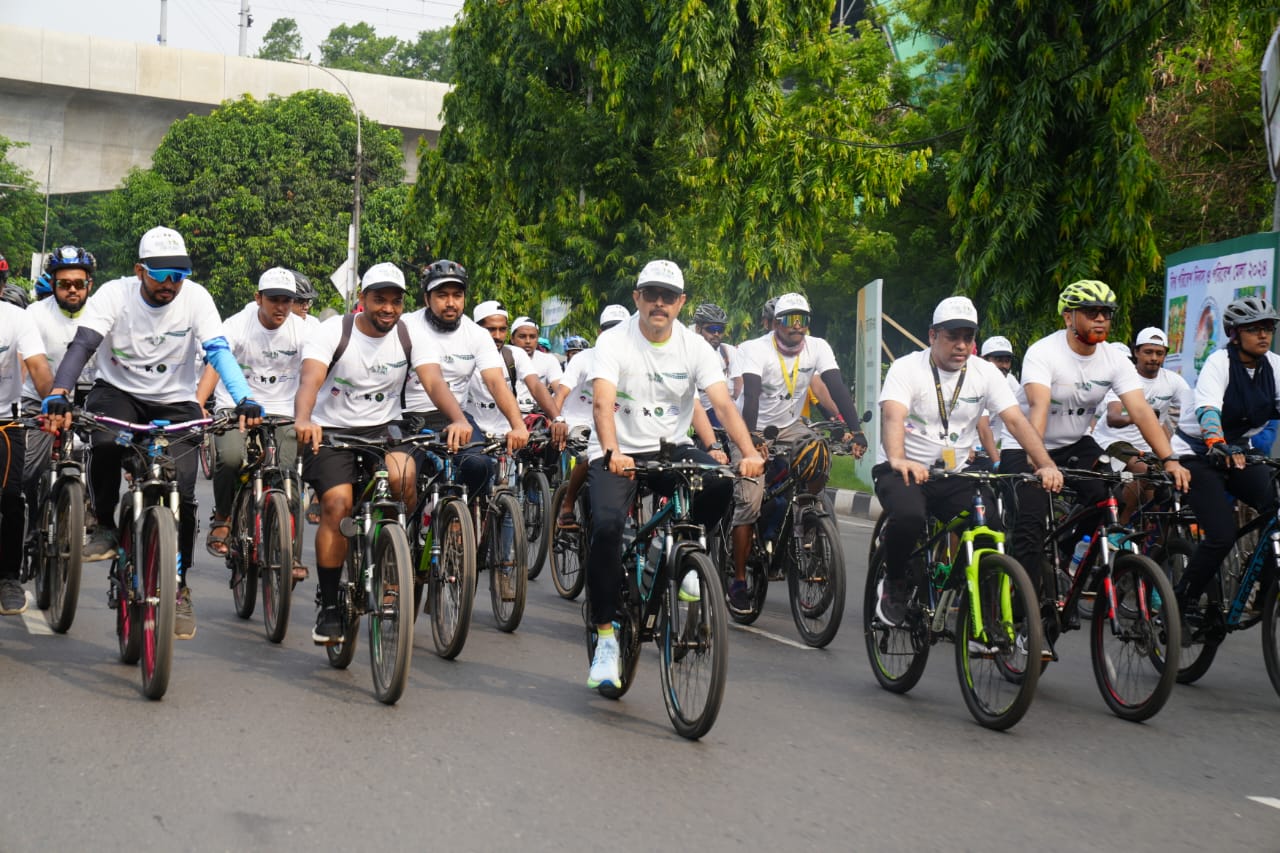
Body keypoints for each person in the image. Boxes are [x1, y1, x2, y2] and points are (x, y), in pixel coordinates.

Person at [41, 226, 265, 639]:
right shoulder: (114, 294)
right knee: (105, 442)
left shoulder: (195, 298)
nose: (170, 284)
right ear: (139, 270)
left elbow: (217, 351)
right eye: (160, 274)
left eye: (178, 274)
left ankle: (178, 588)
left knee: (180, 485)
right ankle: (106, 524)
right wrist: (59, 391)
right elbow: (84, 344)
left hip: (175, 400)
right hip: (118, 393)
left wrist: (245, 397)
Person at [584, 261, 764, 689]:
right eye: (652, 295)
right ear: (638, 298)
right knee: (608, 528)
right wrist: (611, 450)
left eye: (669, 296)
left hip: (670, 449)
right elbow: (602, 403)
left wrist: (749, 453)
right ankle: (606, 638)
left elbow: (722, 405)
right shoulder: (613, 341)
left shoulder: (695, 347)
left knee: (720, 480)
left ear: (681, 303)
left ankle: (685, 557)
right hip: (618, 451)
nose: (659, 303)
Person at [294, 262, 472, 644]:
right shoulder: (333, 332)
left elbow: (433, 381)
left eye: (395, 301)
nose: (387, 308)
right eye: (379, 300)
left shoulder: (410, 336)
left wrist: (457, 418)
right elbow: (310, 377)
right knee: (337, 506)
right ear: (362, 300)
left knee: (403, 477)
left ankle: (393, 556)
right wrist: (304, 418)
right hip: (334, 431)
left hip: (386, 431)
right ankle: (328, 605)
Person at [999, 280, 1190, 609]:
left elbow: (1142, 412)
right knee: (1029, 527)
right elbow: (1039, 409)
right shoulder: (1044, 352)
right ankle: (1022, 612)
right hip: (1027, 445)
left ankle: (1064, 549)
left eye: (1106, 313)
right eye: (1091, 312)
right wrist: (1042, 461)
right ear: (1068, 318)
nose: (1100, 318)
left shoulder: (1113, 360)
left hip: (1075, 442)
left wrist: (1170, 460)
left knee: (1108, 496)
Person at [874, 297, 1062, 626]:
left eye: (968, 337)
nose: (961, 345)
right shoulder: (907, 369)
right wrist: (899, 459)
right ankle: (895, 582)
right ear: (932, 336)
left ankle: (985, 610)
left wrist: (1045, 463)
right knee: (909, 516)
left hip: (953, 473)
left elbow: (1017, 422)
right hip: (903, 468)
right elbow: (892, 417)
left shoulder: (986, 373)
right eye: (952, 337)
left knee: (989, 524)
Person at [726, 292, 868, 613]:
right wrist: (750, 442)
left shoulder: (818, 347)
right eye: (790, 320)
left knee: (818, 451)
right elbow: (749, 397)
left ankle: (808, 515)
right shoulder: (754, 349)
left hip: (791, 426)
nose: (797, 328)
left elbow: (836, 387)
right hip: (749, 424)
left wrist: (855, 429)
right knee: (749, 500)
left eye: (803, 321)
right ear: (776, 323)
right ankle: (737, 580)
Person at [1170, 297, 1280, 626]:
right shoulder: (1219, 363)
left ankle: (1265, 595)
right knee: (1221, 534)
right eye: (1254, 329)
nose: (1263, 335)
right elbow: (1208, 409)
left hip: (1240, 453)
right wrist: (1217, 442)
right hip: (1197, 455)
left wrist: (1234, 449)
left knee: (1276, 508)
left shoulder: (1274, 366)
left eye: (1268, 328)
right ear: (1234, 333)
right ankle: (1183, 599)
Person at [195, 267, 309, 580]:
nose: (281, 307)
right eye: (274, 299)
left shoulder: (303, 330)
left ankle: (291, 554)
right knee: (231, 458)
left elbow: (318, 367)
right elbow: (216, 365)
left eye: (288, 300)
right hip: (235, 407)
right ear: (258, 298)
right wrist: (198, 404)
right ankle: (223, 518)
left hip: (282, 411)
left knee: (290, 482)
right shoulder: (237, 325)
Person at [400, 260, 529, 496]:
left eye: (457, 295)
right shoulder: (405, 326)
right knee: (403, 481)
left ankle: (458, 515)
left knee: (480, 466)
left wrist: (518, 425)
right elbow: (431, 381)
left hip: (455, 418)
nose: (451, 303)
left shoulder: (477, 334)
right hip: (406, 419)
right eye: (442, 295)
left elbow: (496, 383)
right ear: (427, 298)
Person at [20, 247, 98, 555]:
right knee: (27, 469)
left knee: (105, 452)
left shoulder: (102, 312)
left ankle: (91, 504)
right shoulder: (35, 314)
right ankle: (26, 524)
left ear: (89, 284)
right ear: (53, 284)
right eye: (64, 283)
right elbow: (32, 364)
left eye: (79, 283)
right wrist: (53, 399)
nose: (72, 289)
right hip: (40, 396)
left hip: (90, 397)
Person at [1089, 327, 1191, 524]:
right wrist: (1140, 417)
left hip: (1146, 448)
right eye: (1148, 352)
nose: (1154, 358)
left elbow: (1191, 412)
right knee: (1145, 471)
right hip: (1113, 442)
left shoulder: (1174, 381)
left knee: (1160, 490)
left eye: (1159, 353)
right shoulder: (1124, 378)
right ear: (1136, 352)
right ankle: (1119, 528)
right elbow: (1113, 417)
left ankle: (1152, 547)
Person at [551, 306, 628, 529]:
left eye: (621, 330)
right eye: (609, 329)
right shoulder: (583, 359)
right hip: (578, 421)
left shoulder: (632, 360)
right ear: (600, 333)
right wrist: (557, 420)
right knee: (588, 456)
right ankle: (567, 504)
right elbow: (562, 393)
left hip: (612, 421)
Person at [0, 296, 53, 614]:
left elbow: (37, 366)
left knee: (10, 496)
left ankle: (7, 577)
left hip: (5, 422)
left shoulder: (15, 318)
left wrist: (55, 401)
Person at [692, 302, 743, 426]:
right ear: (698, 329)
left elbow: (739, 385)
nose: (716, 334)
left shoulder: (728, 351)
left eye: (720, 330)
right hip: (692, 408)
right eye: (711, 329)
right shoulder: (687, 351)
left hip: (719, 408)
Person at [509, 315, 564, 411]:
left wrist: (556, 417)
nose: (528, 341)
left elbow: (560, 391)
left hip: (538, 416)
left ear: (537, 339)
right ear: (512, 339)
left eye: (532, 337)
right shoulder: (502, 358)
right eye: (522, 336)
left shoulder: (549, 360)